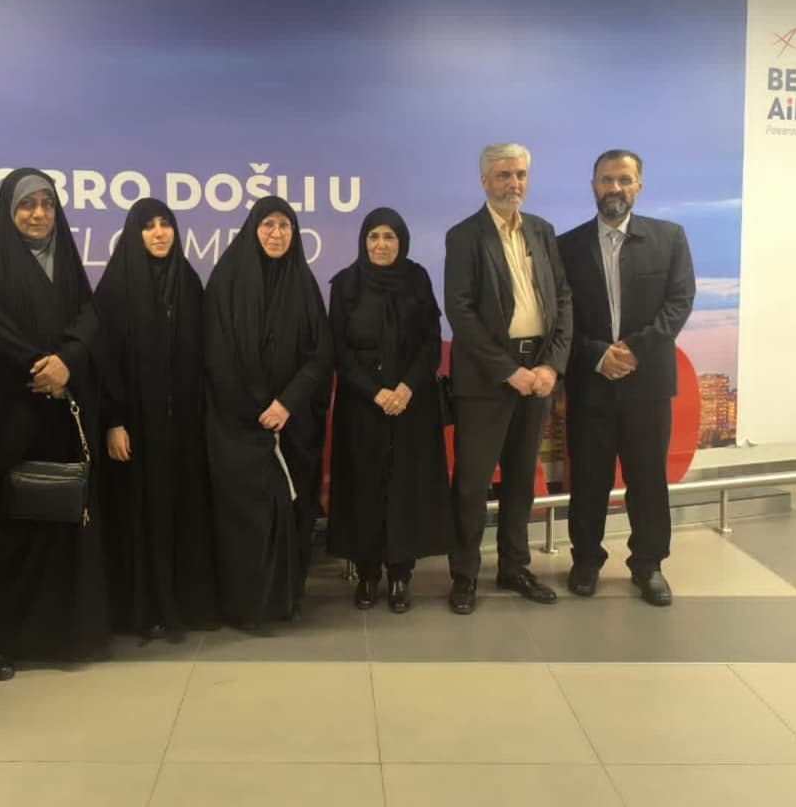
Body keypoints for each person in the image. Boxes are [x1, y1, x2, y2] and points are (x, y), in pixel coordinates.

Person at [0, 168, 112, 679]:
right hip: (1, 420)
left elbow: (89, 316)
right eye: (27, 204)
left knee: (56, 513)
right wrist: (39, 367)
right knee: (5, 524)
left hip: (57, 415)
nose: (38, 214)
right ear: (8, 209)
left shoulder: (65, 257)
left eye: (46, 204)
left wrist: (68, 362)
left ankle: (58, 633)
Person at [558, 149, 696, 607]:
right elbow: (561, 316)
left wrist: (635, 349)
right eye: (606, 180)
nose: (614, 188)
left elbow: (679, 302)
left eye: (623, 179)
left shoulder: (669, 238)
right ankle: (586, 561)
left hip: (648, 385)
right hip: (591, 381)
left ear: (638, 185)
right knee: (588, 480)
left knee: (649, 479)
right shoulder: (566, 247)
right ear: (593, 185)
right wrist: (599, 355)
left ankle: (649, 565)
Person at [443, 143, 572, 614]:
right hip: (486, 381)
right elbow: (460, 311)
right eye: (503, 175)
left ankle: (515, 567)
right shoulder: (464, 236)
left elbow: (563, 300)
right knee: (473, 484)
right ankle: (464, 575)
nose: (514, 183)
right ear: (485, 181)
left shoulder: (543, 231)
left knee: (521, 481)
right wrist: (508, 371)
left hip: (537, 374)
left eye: (520, 174)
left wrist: (550, 366)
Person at [204, 196, 333, 629]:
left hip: (292, 426)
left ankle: (285, 598)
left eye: (284, 226)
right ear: (252, 230)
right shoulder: (225, 281)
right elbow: (215, 354)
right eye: (268, 225)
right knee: (247, 519)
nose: (276, 234)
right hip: (239, 427)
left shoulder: (304, 284)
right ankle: (247, 606)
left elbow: (320, 354)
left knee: (291, 513)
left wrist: (286, 404)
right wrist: (255, 410)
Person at [97, 198, 219, 640]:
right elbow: (103, 362)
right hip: (134, 428)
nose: (159, 233)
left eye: (165, 224)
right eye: (148, 226)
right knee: (138, 515)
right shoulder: (115, 289)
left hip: (182, 429)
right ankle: (143, 610)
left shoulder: (189, 283)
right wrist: (113, 421)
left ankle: (181, 604)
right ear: (135, 234)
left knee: (182, 512)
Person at [327, 208, 451, 613]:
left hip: (411, 404)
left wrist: (405, 388)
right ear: (363, 240)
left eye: (389, 237)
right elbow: (338, 349)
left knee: (405, 487)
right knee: (364, 486)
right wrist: (376, 392)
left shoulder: (417, 279)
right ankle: (367, 573)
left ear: (402, 242)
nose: (381, 245)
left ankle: (401, 574)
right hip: (362, 405)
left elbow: (430, 342)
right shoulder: (346, 284)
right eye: (374, 236)